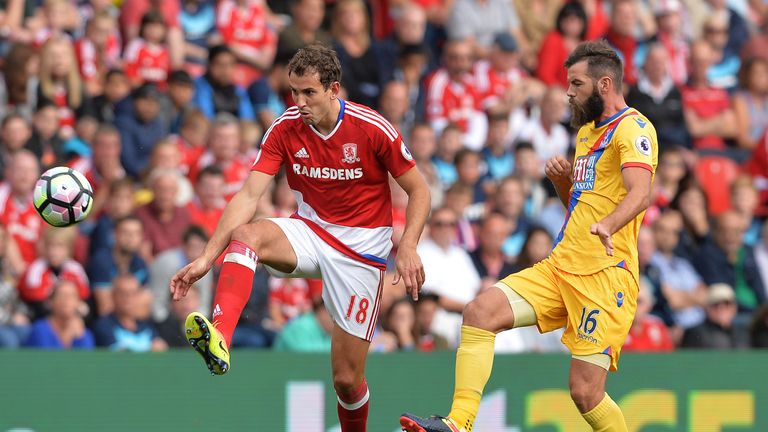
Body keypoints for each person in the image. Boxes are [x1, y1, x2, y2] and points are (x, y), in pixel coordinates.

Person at [401, 40, 658, 432]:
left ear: (605, 84)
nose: (568, 92)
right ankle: (459, 423)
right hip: (561, 268)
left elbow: (641, 193)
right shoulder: (587, 132)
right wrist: (561, 184)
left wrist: (609, 224)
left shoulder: (635, 128)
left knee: (585, 394)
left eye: (576, 84)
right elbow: (580, 207)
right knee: (479, 313)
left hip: (605, 278)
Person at [170, 44, 430, 432]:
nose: (300, 102)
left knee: (346, 379)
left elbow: (419, 190)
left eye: (309, 92)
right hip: (309, 231)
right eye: (294, 92)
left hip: (361, 252)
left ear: (333, 89)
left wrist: (407, 245)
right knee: (248, 234)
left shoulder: (372, 127)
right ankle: (220, 336)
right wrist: (208, 257)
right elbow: (248, 195)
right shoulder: (284, 127)